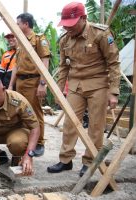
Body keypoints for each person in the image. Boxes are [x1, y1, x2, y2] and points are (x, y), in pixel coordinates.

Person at [47, 2, 121, 177]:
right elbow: (63, 67)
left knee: (96, 125)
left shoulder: (100, 34)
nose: (67, 28)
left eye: (71, 24)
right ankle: (65, 160)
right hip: (75, 86)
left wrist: (113, 91)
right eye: (65, 24)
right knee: (69, 123)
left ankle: (90, 161)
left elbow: (113, 63)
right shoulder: (65, 39)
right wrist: (58, 91)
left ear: (84, 18)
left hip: (98, 85)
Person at [9, 13, 50, 157]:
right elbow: (16, 66)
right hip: (20, 82)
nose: (17, 26)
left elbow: (45, 62)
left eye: (18, 23)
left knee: (35, 112)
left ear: (26, 24)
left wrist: (42, 84)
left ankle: (39, 143)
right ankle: (27, 140)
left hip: (33, 81)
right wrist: (10, 86)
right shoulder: (20, 41)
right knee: (21, 113)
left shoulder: (39, 39)